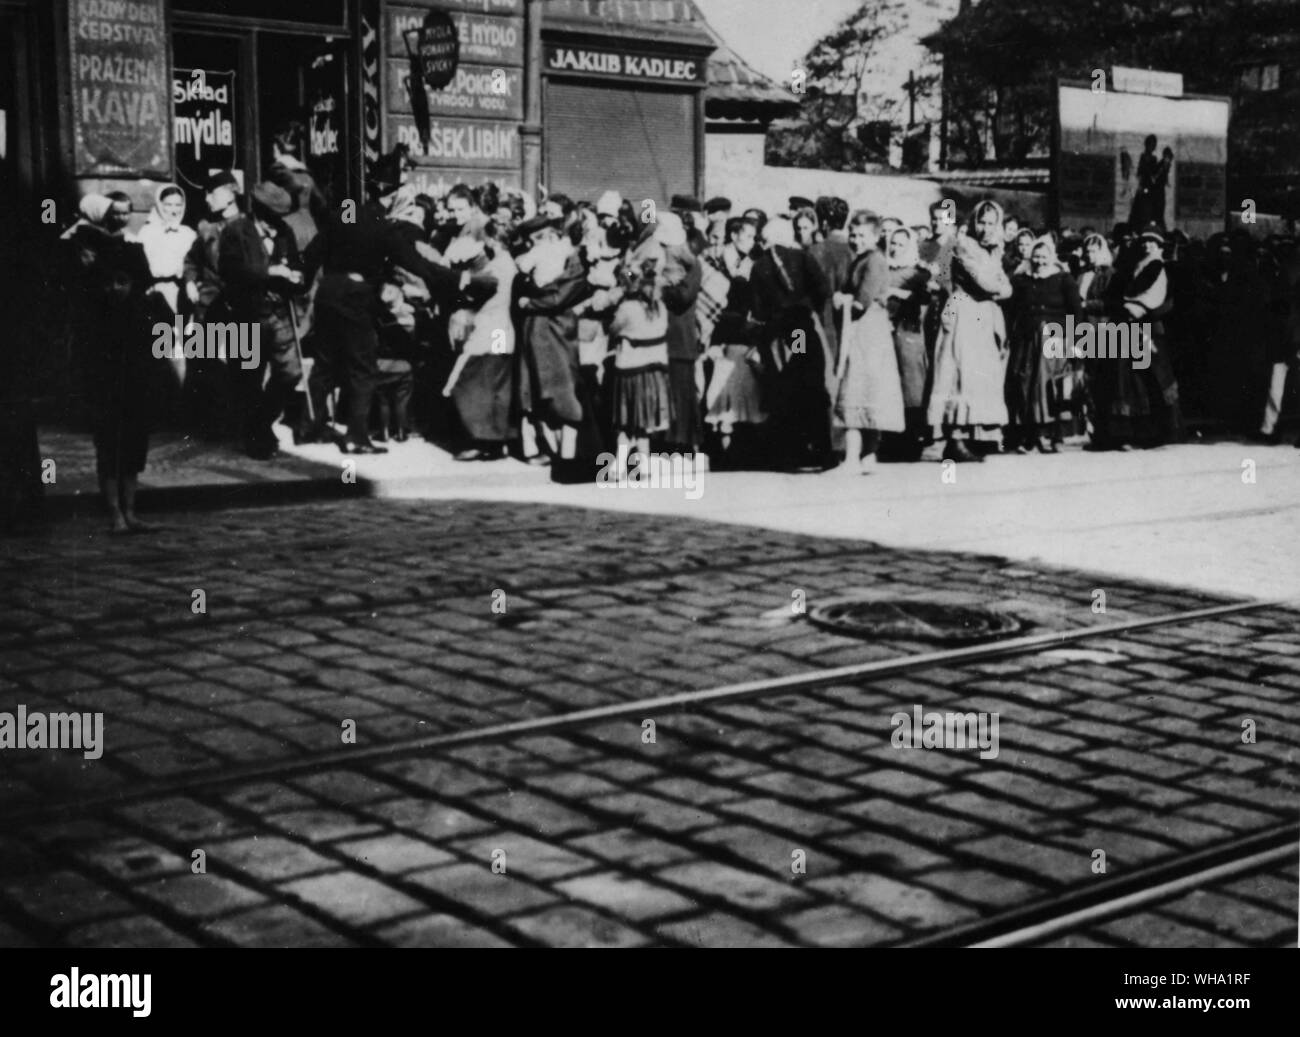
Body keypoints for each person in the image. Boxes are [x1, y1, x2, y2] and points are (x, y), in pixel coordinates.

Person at [301, 147, 441, 454]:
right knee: (362, 369)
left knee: (324, 363)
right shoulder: (384, 226)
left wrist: (301, 281)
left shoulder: (348, 213)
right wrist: (452, 281)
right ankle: (356, 437)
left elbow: (314, 251)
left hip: (328, 293)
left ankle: (310, 426)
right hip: (355, 297)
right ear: (393, 197)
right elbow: (416, 264)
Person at [62, 194, 160, 533]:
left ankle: (131, 511)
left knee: (133, 444)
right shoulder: (95, 309)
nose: (116, 288)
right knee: (109, 443)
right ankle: (115, 513)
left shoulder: (137, 306)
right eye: (111, 283)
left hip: (133, 374)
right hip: (105, 377)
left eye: (123, 282)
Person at [218, 180, 307, 459]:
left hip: (279, 312)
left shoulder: (284, 231)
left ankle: (260, 422)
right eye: (270, 216)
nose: (275, 222)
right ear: (257, 211)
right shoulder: (235, 231)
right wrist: (271, 272)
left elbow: (294, 264)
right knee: (248, 380)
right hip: (247, 314)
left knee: (291, 373)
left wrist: (296, 275)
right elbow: (230, 270)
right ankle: (256, 437)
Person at [926, 200, 1013, 463]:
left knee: (979, 375)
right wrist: (998, 287)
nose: (985, 228)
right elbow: (986, 282)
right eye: (981, 222)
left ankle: (976, 435)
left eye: (990, 223)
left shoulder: (992, 250)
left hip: (983, 315)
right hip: (964, 310)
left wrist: (999, 286)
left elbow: (1007, 286)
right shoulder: (963, 245)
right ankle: (955, 437)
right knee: (959, 372)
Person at [515, 212, 597, 479]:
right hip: (550, 330)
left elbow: (556, 296)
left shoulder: (570, 263)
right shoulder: (571, 261)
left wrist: (531, 302)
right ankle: (563, 456)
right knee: (555, 394)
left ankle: (562, 456)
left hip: (548, 330)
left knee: (553, 394)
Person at [750, 215, 832, 470]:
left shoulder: (760, 265)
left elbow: (757, 307)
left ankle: (791, 452)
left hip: (779, 334)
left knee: (788, 386)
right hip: (801, 328)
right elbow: (823, 289)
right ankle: (820, 450)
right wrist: (808, 309)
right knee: (810, 383)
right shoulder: (802, 257)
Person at [831, 211, 905, 474]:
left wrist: (842, 299)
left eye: (862, 235)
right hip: (869, 332)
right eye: (853, 234)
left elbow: (863, 300)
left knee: (857, 389)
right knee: (868, 391)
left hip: (866, 332)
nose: (856, 240)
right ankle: (867, 457)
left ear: (875, 236)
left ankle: (853, 458)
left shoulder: (873, 261)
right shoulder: (863, 259)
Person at [442, 231, 518, 460]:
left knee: (472, 383)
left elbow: (470, 292)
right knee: (497, 383)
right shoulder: (506, 264)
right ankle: (497, 440)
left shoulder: (489, 274)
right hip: (502, 330)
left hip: (487, 332)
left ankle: (480, 438)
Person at [1005, 236, 1083, 453]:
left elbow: (1076, 312)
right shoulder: (1021, 280)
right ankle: (1030, 436)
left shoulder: (1064, 279)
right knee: (1026, 385)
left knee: (1053, 387)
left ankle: (1056, 435)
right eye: (1036, 256)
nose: (1040, 261)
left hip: (1055, 340)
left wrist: (1076, 341)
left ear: (1052, 257)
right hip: (1028, 340)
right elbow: (1012, 311)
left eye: (1044, 256)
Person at [703, 216, 766, 458]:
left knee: (737, 401)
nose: (752, 242)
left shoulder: (751, 263)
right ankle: (724, 453)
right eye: (748, 236)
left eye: (754, 237)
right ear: (734, 236)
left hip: (739, 339)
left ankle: (737, 452)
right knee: (726, 402)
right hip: (725, 338)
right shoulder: (718, 261)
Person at [609, 234, 672, 474]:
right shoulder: (660, 310)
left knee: (625, 421)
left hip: (630, 371)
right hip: (654, 369)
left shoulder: (627, 309)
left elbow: (614, 329)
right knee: (644, 422)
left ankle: (619, 464)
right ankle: (643, 464)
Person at [657, 213, 705, 455]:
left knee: (682, 396)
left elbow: (684, 296)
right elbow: (629, 276)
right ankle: (665, 446)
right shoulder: (653, 264)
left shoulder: (692, 265)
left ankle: (684, 447)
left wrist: (659, 288)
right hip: (657, 339)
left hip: (680, 338)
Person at [885, 226, 931, 459]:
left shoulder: (918, 272)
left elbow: (925, 299)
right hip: (886, 332)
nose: (895, 248)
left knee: (911, 386)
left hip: (909, 332)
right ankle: (889, 441)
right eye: (893, 243)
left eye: (901, 244)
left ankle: (912, 440)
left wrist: (897, 293)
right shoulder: (882, 268)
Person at [1076, 233, 1116, 449]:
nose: (1091, 255)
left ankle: (1105, 432)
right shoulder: (1082, 274)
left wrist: (1087, 305)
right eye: (1088, 251)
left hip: (1102, 330)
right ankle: (1093, 431)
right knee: (1089, 382)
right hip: (1084, 331)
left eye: (1095, 251)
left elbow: (1110, 302)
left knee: (1102, 382)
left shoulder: (1109, 273)